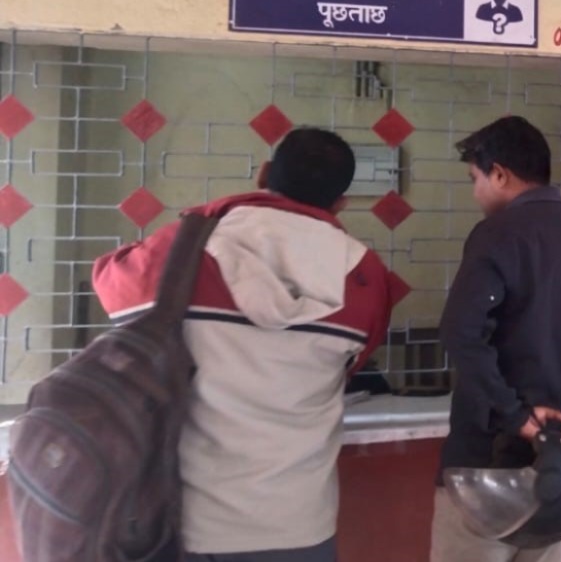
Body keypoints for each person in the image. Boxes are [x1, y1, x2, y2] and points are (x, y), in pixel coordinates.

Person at [92, 128, 409, 562]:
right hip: (298, 523)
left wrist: (206, 218)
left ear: (263, 175)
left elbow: (109, 282)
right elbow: (352, 365)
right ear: (341, 203)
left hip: (183, 523)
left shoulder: (184, 249)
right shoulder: (365, 277)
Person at [431, 116, 561, 562]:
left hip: (493, 475)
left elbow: (461, 333)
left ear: (500, 173)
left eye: (476, 179)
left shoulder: (497, 235)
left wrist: (517, 417)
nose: (475, 193)